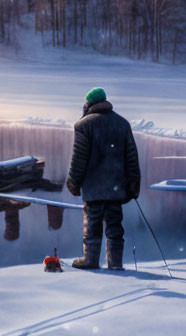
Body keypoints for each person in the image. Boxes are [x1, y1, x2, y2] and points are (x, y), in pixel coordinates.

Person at [66, 87, 141, 270]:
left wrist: (73, 181)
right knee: (115, 225)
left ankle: (90, 260)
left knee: (92, 224)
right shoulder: (122, 124)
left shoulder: (83, 125)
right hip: (116, 186)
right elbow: (131, 156)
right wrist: (133, 182)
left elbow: (79, 158)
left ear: (89, 103)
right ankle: (115, 263)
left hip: (93, 187)